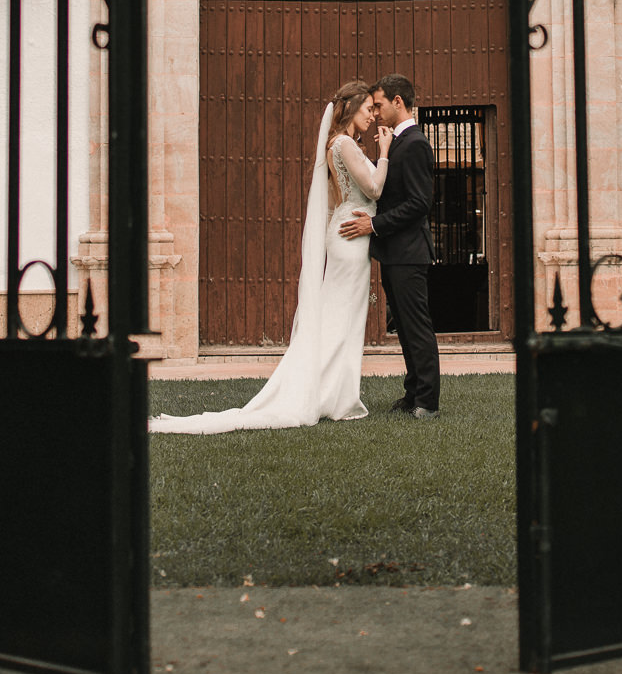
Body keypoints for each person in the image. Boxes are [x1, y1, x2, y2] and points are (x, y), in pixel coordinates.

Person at [149, 80, 391, 434]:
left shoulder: (337, 146)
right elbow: (373, 188)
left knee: (340, 315)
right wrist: (384, 152)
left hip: (344, 233)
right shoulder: (344, 144)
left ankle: (334, 392)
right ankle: (333, 395)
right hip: (351, 239)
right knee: (342, 317)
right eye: (368, 108)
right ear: (351, 108)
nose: (372, 114)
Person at [338, 74, 439, 419]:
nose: (376, 112)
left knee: (417, 327)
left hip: (410, 253)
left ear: (398, 102)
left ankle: (428, 401)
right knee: (405, 329)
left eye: (379, 104)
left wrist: (374, 224)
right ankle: (412, 394)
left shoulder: (415, 143)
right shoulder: (397, 142)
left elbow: (419, 204)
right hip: (395, 253)